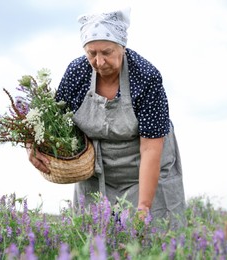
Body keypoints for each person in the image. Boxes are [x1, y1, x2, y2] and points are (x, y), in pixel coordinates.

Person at [28, 7, 186, 229]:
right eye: (92, 53)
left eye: (107, 52)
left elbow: (150, 149)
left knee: (153, 236)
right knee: (95, 236)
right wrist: (33, 146)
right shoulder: (78, 73)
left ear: (122, 47)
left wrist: (143, 208)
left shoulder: (146, 77)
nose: (99, 62)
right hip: (98, 172)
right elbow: (52, 120)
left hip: (147, 168)